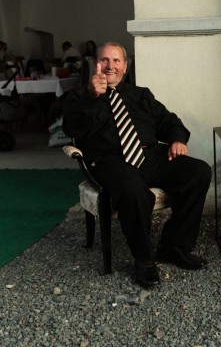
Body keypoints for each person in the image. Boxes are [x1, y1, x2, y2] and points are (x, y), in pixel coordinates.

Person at [62, 42, 211, 289]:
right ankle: (143, 259)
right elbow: (72, 129)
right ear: (95, 64)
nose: (110, 66)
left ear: (125, 66)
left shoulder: (141, 94)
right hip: (110, 160)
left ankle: (174, 246)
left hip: (151, 155)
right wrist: (91, 95)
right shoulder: (79, 96)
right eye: (104, 60)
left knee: (199, 171)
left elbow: (169, 120)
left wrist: (177, 139)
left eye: (116, 61)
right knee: (133, 190)